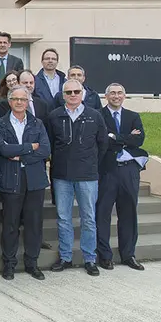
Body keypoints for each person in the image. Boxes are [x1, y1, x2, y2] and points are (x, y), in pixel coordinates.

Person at [45, 79, 108, 276]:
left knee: (88, 218)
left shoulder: (94, 116)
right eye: (68, 92)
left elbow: (103, 144)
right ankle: (65, 257)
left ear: (82, 93)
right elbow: (50, 144)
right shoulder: (55, 116)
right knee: (63, 218)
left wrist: (90, 164)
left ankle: (89, 258)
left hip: (87, 175)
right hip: (62, 175)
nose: (72, 95)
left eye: (76, 91)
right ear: (63, 95)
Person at [0, 86, 51, 281]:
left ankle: (32, 263)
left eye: (23, 99)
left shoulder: (37, 123)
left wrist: (20, 154)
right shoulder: (0, 124)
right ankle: (9, 264)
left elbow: (44, 150)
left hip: (34, 180)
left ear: (28, 102)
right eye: (15, 99)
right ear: (9, 101)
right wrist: (29, 148)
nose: (19, 102)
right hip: (11, 179)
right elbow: (3, 150)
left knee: (34, 224)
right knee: (11, 223)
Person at [97, 83, 148, 271]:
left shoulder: (133, 116)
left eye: (119, 93)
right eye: (112, 93)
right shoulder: (98, 116)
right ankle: (104, 256)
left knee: (128, 214)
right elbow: (102, 140)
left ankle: (128, 254)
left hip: (129, 172)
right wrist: (126, 137)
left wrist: (115, 137)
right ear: (106, 96)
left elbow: (139, 139)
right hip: (107, 171)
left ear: (124, 96)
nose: (116, 96)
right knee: (102, 213)